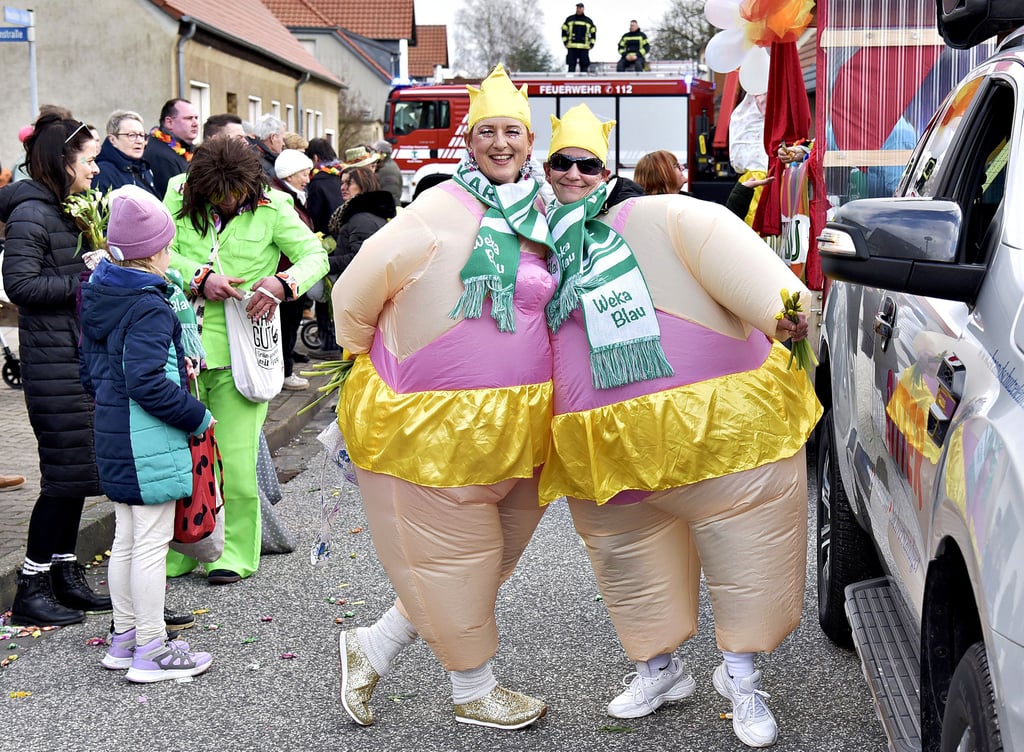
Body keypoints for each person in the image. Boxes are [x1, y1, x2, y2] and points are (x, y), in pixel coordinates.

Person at [539, 105, 820, 749]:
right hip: (608, 450)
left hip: (718, 434)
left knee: (748, 556)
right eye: (563, 163)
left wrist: (784, 313)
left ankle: (743, 679)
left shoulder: (672, 216)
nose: (575, 173)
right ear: (547, 169)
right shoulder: (539, 243)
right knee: (628, 565)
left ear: (605, 168)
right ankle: (657, 670)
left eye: (587, 163)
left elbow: (744, 269)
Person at [333, 64, 554, 730]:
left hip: (521, 427)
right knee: (457, 559)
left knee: (490, 562)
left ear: (529, 140)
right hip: (435, 428)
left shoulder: (544, 215)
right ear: (470, 140)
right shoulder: (433, 214)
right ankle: (474, 691)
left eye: (512, 132)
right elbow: (351, 298)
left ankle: (370, 646)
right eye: (488, 132)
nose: (501, 144)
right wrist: (377, 366)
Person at [162, 137, 327, 585]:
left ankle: (232, 552)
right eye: (218, 196)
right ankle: (182, 549)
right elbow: (157, 254)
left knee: (234, 461)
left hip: (245, 357)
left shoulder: (274, 205)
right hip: (182, 352)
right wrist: (199, 277)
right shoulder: (177, 190)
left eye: (236, 195)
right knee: (182, 459)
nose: (229, 202)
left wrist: (282, 283)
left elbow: (316, 255)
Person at [79, 185, 214, 683]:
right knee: (151, 543)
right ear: (155, 250)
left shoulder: (100, 292)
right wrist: (196, 417)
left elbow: (91, 374)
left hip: (113, 430)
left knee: (129, 540)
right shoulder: (151, 305)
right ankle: (152, 648)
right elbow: (148, 382)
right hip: (148, 438)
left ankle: (124, 639)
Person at [0, 114, 112, 626]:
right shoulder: (29, 213)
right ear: (60, 161)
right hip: (52, 362)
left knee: (79, 472)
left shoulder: (65, 210)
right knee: (62, 477)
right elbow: (20, 287)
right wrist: (85, 281)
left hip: (76, 357)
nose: (95, 166)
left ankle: (65, 575)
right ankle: (31, 583)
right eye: (87, 158)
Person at [271, 148, 316, 391]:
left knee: (288, 324)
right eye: (304, 174)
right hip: (286, 272)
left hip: (291, 271)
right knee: (287, 325)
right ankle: (285, 372)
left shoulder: (293, 194)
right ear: (290, 175)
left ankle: (284, 370)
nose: (307, 179)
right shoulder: (283, 198)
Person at [303, 138, 345, 357]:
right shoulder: (341, 176)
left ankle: (328, 343)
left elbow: (316, 217)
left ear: (315, 158)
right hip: (344, 240)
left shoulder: (317, 182)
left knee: (324, 293)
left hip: (325, 242)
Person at [326, 166, 395, 280]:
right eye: (342, 183)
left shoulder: (362, 218)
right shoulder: (355, 213)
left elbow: (359, 258)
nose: (343, 187)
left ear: (364, 185)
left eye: (349, 183)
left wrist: (325, 263)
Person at [93, 110, 158, 196]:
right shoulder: (102, 173)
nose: (139, 141)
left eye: (142, 135)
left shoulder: (144, 168)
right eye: (131, 135)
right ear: (113, 140)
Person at [143, 98, 199, 199]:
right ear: (169, 122)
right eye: (189, 118)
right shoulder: (160, 154)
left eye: (196, 118)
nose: (195, 123)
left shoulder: (187, 148)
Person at [250, 114, 287, 185]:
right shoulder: (260, 164)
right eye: (283, 139)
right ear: (273, 137)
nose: (283, 144)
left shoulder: (254, 152)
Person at [563, 3, 597, 73]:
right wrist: (565, 42)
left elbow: (593, 33)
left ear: (583, 9)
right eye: (577, 8)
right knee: (571, 66)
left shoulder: (588, 21)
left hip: (584, 48)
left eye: (580, 8)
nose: (578, 9)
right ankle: (569, 82)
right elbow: (563, 31)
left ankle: (583, 82)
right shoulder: (570, 19)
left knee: (584, 66)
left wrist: (592, 44)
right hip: (572, 47)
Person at [370, 139, 403, 205]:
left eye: (374, 152)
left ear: (380, 153)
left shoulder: (388, 171)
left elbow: (391, 196)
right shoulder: (383, 166)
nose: (372, 154)